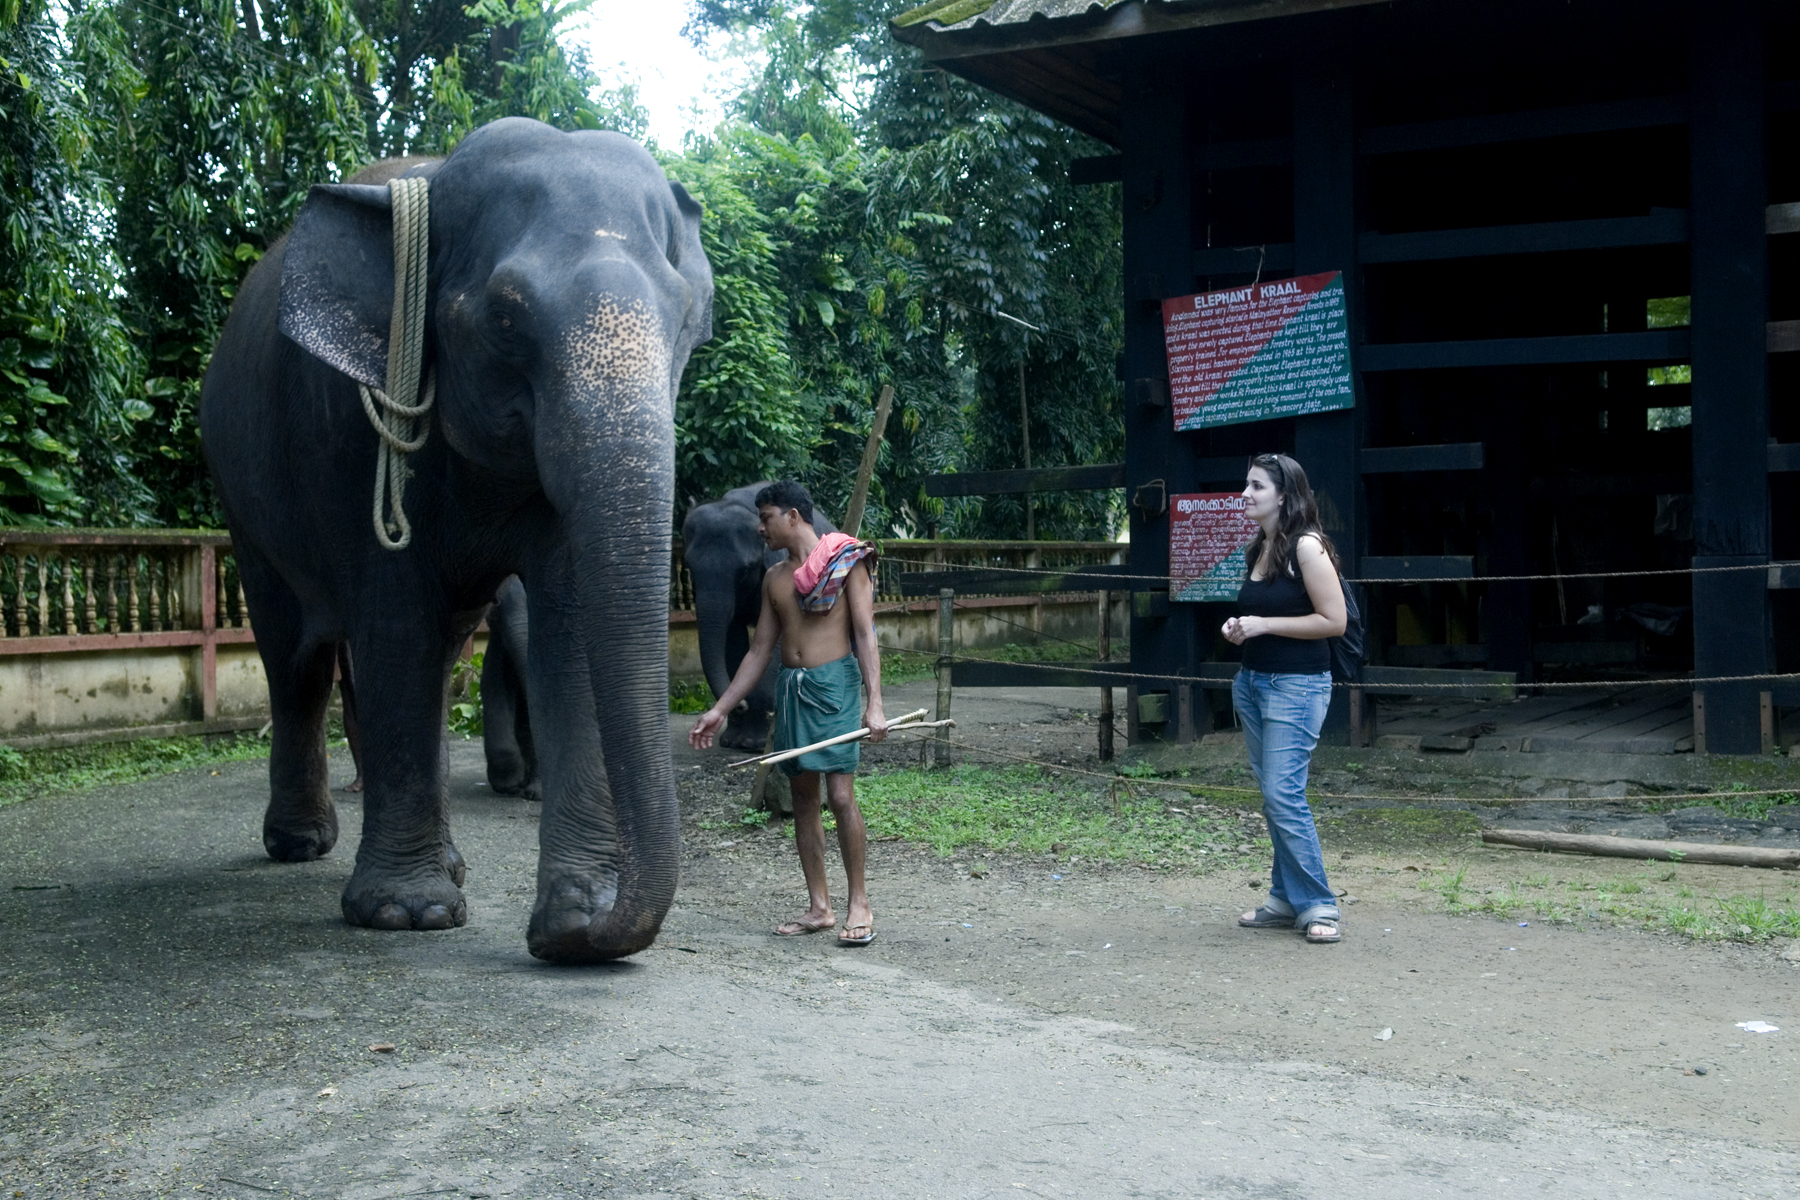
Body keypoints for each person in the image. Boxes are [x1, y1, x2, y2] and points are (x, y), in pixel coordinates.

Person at [689, 480, 888, 946]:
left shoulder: (848, 562)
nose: (761, 528)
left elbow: (865, 635)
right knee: (802, 799)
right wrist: (720, 709)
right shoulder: (774, 578)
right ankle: (820, 907)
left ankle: (859, 903)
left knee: (841, 796)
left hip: (834, 688)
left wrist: (874, 702)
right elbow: (760, 650)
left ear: (793, 516)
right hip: (792, 691)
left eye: (766, 518)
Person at [1223, 453, 1347, 945]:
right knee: (1276, 796)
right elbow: (1262, 615)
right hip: (1253, 684)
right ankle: (1282, 899)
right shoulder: (1260, 547)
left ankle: (1319, 905)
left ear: (1283, 495)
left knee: (1282, 795)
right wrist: (1240, 627)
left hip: (1297, 688)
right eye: (1247, 484)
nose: (1246, 494)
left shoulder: (1307, 547)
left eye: (1256, 486)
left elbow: (1334, 621)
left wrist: (1264, 624)